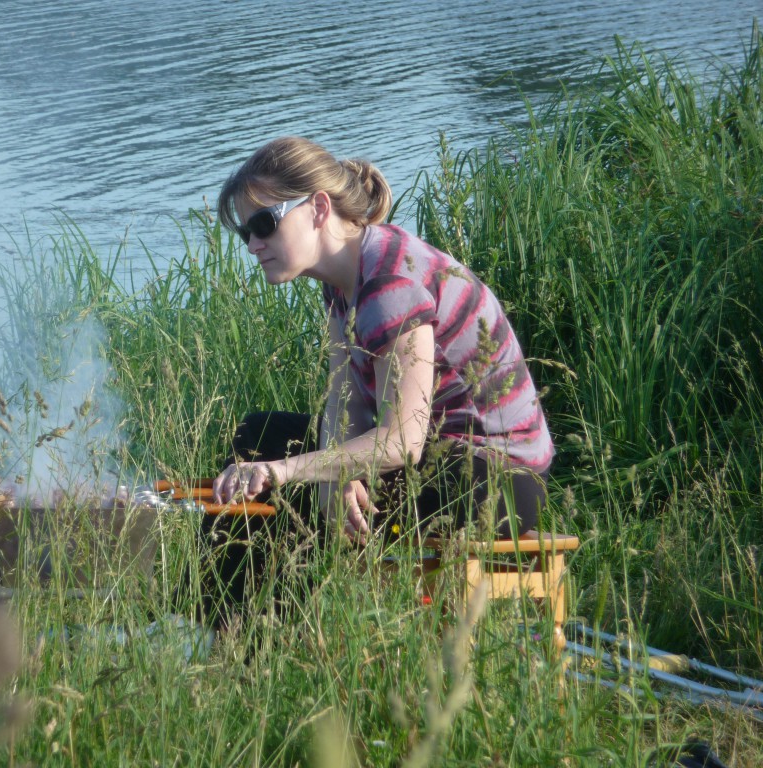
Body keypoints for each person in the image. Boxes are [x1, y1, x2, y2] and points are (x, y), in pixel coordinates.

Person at [200, 136, 554, 625]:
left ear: (318, 208)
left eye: (264, 223)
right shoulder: (341, 283)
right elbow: (345, 408)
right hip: (440, 455)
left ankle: (263, 637)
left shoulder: (390, 281)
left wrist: (289, 471)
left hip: (498, 478)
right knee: (260, 436)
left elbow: (403, 441)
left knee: (281, 478)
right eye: (245, 233)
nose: (254, 243)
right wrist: (338, 472)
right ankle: (230, 631)